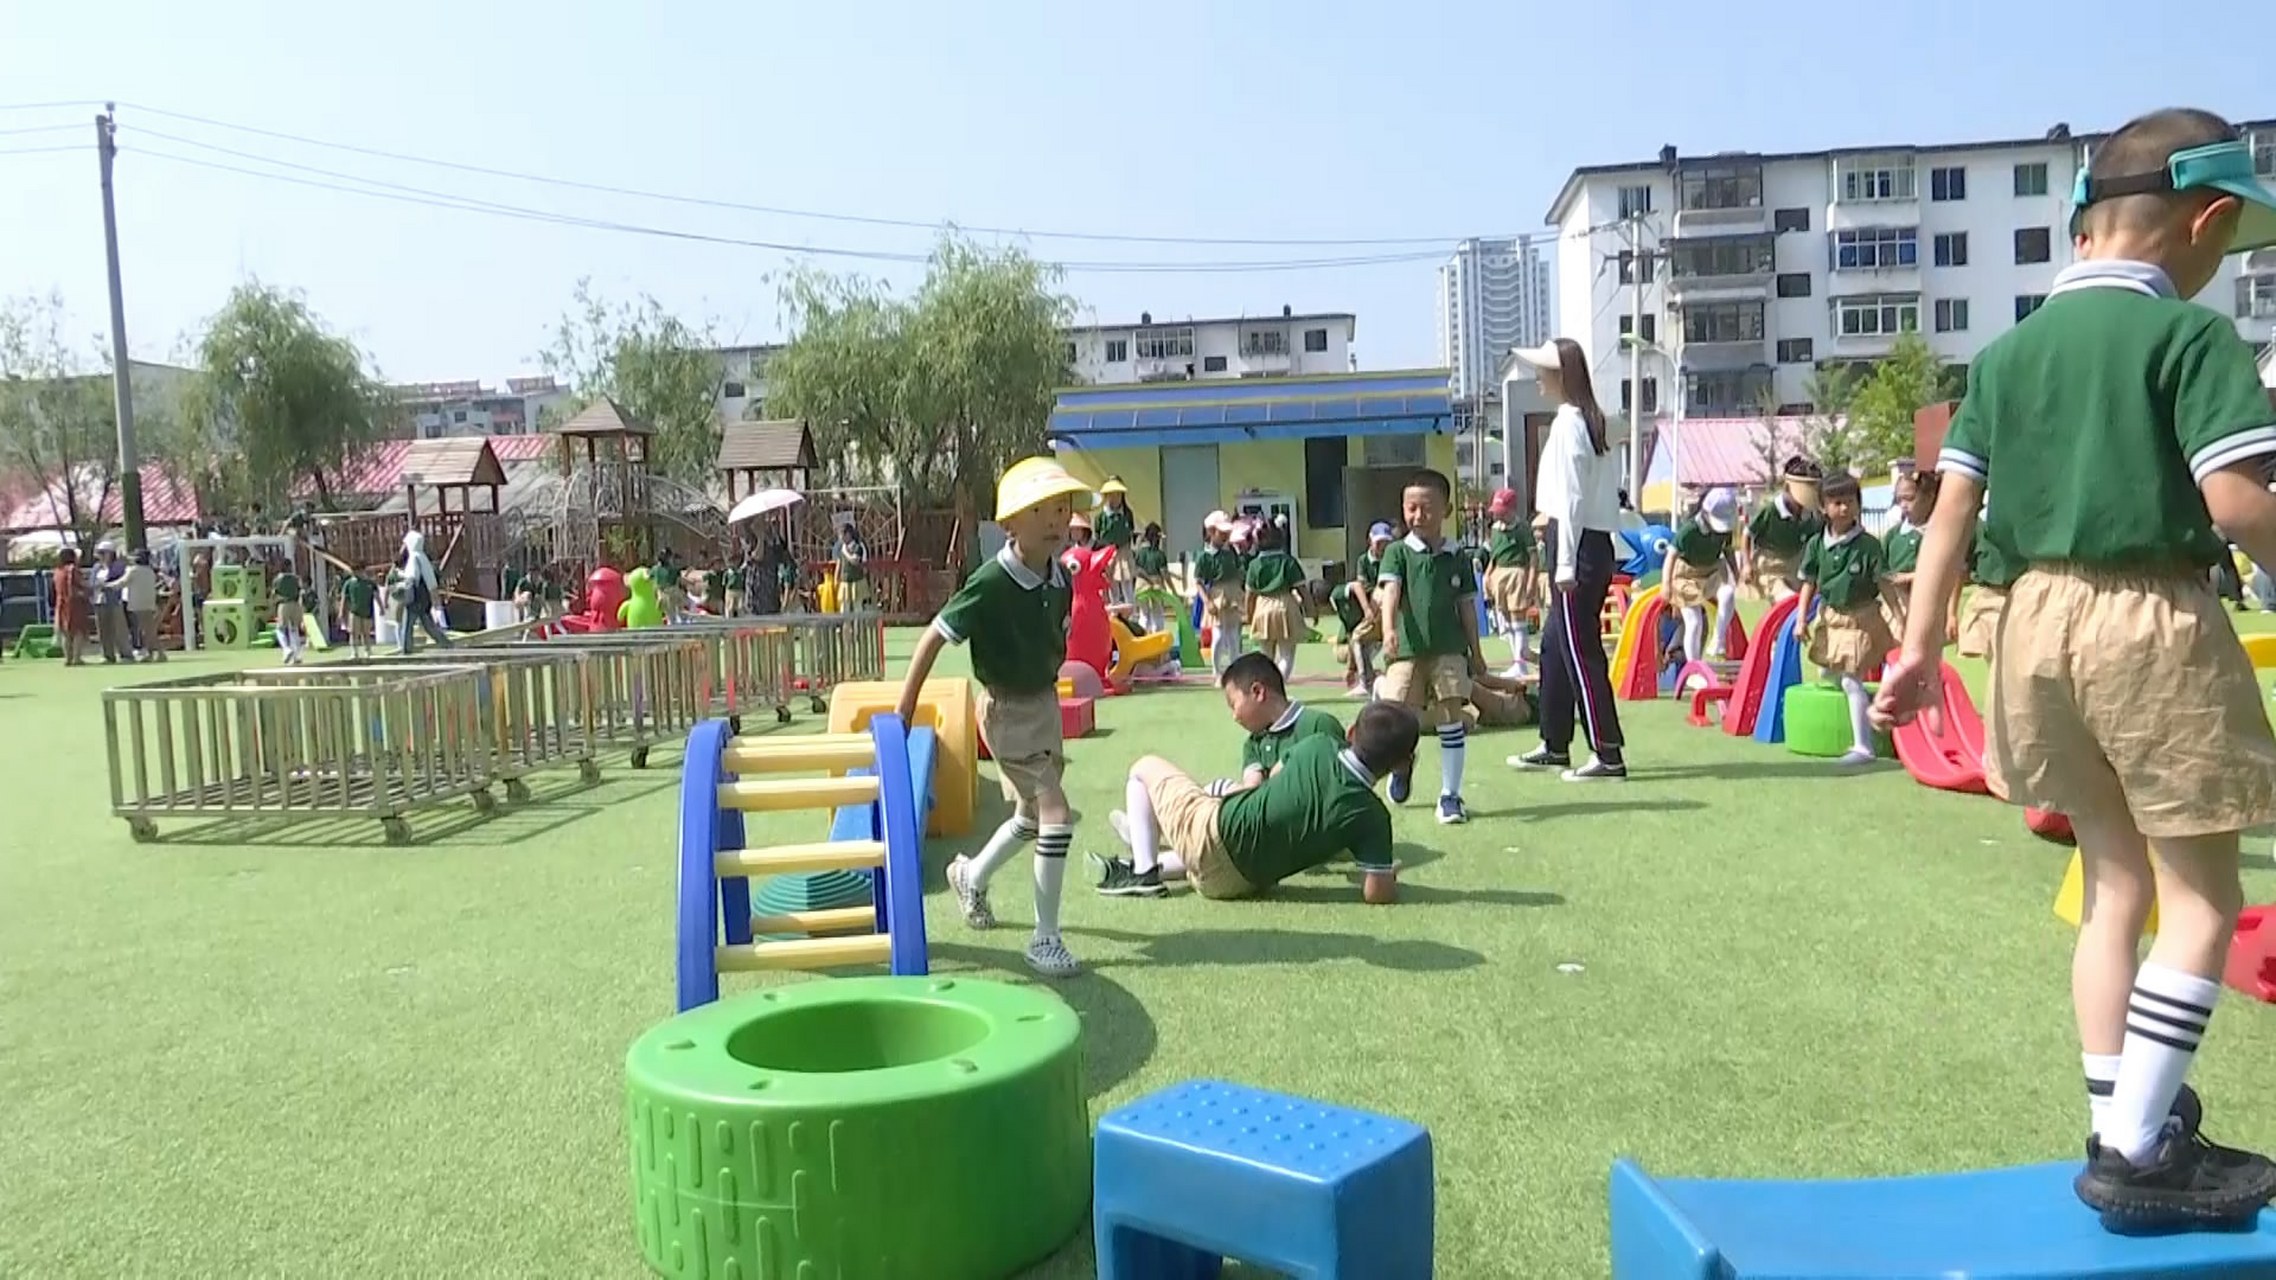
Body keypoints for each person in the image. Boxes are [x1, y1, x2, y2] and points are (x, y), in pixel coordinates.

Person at [1874, 108, 2276, 1227]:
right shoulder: (2188, 342)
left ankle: (2121, 1119)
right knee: (2200, 899)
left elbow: (1949, 511)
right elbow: (2235, 500)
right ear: (2201, 221)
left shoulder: (2002, 356)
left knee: (2114, 888)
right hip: (2146, 613)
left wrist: (1914, 648)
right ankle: (2134, 1149)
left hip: (2030, 625)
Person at [897, 457, 1091, 978]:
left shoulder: (1061, 578)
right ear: (1010, 523)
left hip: (1043, 707)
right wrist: (904, 709)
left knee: (1031, 817)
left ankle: (972, 875)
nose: (1056, 520)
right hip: (1006, 712)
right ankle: (1044, 940)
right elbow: (933, 636)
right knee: (1055, 813)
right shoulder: (989, 582)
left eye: (1062, 508)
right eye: (1041, 511)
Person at [1089, 701, 1418, 902]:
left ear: (1349, 733)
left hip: (1216, 831)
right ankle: (1146, 856)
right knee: (1214, 850)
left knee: (1143, 768)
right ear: (1403, 763)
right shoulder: (1374, 818)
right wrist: (1387, 876)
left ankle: (1144, 870)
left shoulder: (1319, 745)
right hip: (1235, 886)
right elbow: (1376, 894)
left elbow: (1272, 782)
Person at [1507, 339, 1628, 783]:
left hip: (1577, 546)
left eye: (1544, 372)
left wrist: (1564, 564)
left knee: (1581, 652)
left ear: (1561, 376)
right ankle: (1554, 742)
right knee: (1556, 647)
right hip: (1583, 541)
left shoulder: (1572, 423)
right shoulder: (1589, 421)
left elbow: (1573, 499)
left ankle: (1608, 752)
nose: (1538, 379)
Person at [1375, 468, 1487, 824]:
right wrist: (1389, 629)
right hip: (1407, 649)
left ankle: (1450, 795)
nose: (1418, 516)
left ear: (1446, 511)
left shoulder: (1458, 557)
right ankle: (1401, 764)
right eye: (1411, 508)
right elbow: (1390, 592)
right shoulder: (1397, 552)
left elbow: (1467, 607)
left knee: (1450, 715)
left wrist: (1476, 651)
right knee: (1396, 715)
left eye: (1427, 508)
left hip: (1449, 648)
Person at [1791, 474, 1897, 766]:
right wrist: (1801, 620)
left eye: (1850, 502)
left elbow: (1885, 584)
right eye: (1837, 503)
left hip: (1861, 619)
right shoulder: (1816, 544)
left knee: (1852, 680)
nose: (1844, 508)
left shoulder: (1868, 546)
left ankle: (1863, 747)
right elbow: (1808, 583)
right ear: (1824, 507)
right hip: (1831, 617)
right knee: (1828, 673)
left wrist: (1899, 616)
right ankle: (1880, 688)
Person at [1206, 651, 1344, 796]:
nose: (1234, 716)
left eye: (1233, 705)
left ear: (1258, 692)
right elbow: (1252, 790)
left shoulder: (1319, 725)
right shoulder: (1254, 743)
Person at [1662, 487, 1741, 665]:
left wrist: (1736, 574)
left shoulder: (1725, 531)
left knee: (1728, 593)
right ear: (1705, 512)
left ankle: (1718, 641)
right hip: (1686, 576)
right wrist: (1666, 584)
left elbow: (1728, 552)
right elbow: (1671, 556)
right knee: (1694, 621)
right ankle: (1694, 666)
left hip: (1712, 572)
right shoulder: (1690, 530)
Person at [1744, 457, 1825, 601]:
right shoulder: (1770, 510)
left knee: (1806, 603)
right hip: (1770, 566)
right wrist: (1747, 564)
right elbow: (1747, 533)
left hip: (1796, 565)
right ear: (1788, 488)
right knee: (1787, 600)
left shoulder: (1811, 514)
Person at [1481, 488, 1539, 677]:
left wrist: (1531, 580)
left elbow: (1532, 556)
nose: (1498, 515)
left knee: (1517, 618)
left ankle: (1520, 663)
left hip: (1517, 573)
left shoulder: (1522, 529)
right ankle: (1520, 656)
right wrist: (1488, 575)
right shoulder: (1496, 530)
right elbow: (1494, 556)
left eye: (1502, 511)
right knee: (1504, 620)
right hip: (1499, 575)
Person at [1243, 518, 1308, 680]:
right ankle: (1279, 686)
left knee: (1266, 656)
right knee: (1287, 654)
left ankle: (1267, 687)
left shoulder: (1254, 565)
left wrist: (1249, 615)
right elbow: (1302, 590)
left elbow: (1249, 596)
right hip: (1285, 605)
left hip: (1262, 606)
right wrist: (1311, 609)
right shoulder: (1288, 561)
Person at [1193, 510, 1246, 679]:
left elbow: (1239, 573)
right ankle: (1217, 672)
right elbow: (1199, 582)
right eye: (1221, 533)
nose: (1225, 536)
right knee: (1219, 634)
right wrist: (1207, 601)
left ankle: (1235, 672)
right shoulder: (1204, 557)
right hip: (1217, 595)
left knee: (1233, 636)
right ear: (1211, 532)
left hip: (1233, 593)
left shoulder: (1231, 552)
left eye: (1227, 533)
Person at [1882, 470, 1935, 632]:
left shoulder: (1937, 534)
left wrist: (1910, 577)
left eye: (1910, 498)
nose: (1903, 505)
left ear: (1929, 496)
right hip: (1897, 607)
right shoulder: (1893, 535)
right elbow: (1882, 570)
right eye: (1899, 500)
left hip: (1928, 605)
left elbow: (1950, 570)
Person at [395, 530, 451, 654]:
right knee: (428, 625)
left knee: (408, 624)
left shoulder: (415, 558)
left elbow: (412, 578)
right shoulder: (422, 558)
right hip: (423, 597)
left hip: (415, 596)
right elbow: (430, 580)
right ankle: (445, 643)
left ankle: (406, 649)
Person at [1095, 477, 1138, 606]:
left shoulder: (1127, 513)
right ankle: (1114, 608)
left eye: (1118, 494)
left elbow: (1131, 530)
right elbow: (1098, 535)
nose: (1114, 498)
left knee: (1126, 580)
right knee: (1111, 581)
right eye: (1111, 495)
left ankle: (1130, 608)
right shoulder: (1101, 517)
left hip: (1124, 550)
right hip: (1108, 552)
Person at [91, 543, 130, 664]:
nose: (101, 556)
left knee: (119, 629)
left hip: (114, 600)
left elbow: (118, 580)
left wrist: (106, 585)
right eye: (100, 553)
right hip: (99, 600)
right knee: (103, 630)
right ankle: (107, 655)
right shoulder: (97, 567)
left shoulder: (118, 566)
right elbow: (92, 582)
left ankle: (126, 654)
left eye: (104, 553)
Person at [1130, 522, 1171, 633]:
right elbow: (1164, 574)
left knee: (1144, 614)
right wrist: (1171, 588)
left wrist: (1146, 579)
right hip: (1156, 585)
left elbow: (1136, 570)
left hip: (1141, 585)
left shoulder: (1141, 553)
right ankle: (1157, 638)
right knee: (1157, 613)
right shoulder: (1160, 555)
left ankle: (1143, 638)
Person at [123, 548, 160, 661]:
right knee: (149, 629)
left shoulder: (133, 570)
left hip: (138, 603)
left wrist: (108, 585)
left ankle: (154, 653)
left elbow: (123, 582)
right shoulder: (149, 571)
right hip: (148, 602)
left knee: (146, 629)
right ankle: (154, 653)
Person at [340, 563, 378, 659]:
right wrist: (341, 611)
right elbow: (344, 598)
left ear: (362, 570)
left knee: (366, 633)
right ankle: (354, 652)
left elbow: (376, 596)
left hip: (367, 612)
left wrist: (381, 607)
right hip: (354, 611)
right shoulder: (349, 583)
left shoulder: (370, 583)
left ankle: (368, 651)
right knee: (353, 633)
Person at [834, 524, 867, 615]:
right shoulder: (841, 548)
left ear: (848, 534)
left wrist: (845, 552)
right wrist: (836, 578)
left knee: (857, 608)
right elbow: (839, 563)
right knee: (844, 608)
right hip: (845, 581)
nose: (841, 538)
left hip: (856, 581)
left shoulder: (858, 547)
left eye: (842, 535)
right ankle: (846, 628)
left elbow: (855, 561)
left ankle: (858, 628)